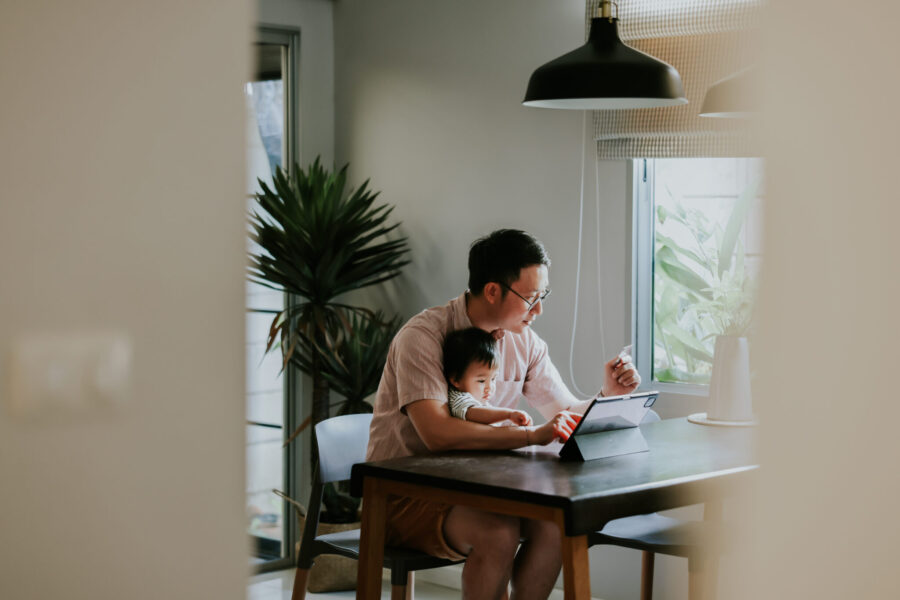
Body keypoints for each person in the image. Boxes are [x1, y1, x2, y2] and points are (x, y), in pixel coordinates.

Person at [367, 229, 641, 600]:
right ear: (493, 290)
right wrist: (530, 436)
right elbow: (438, 434)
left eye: (543, 296)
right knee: (497, 533)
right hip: (403, 497)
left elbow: (563, 412)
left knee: (556, 525)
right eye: (530, 298)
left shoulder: (524, 340)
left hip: (482, 490)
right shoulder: (423, 337)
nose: (539, 310)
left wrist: (608, 394)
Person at [442, 327, 534, 428]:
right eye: (481, 381)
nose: (489, 387)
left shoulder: (481, 401)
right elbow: (473, 412)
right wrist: (508, 414)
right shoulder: (458, 398)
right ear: (456, 379)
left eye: (493, 379)